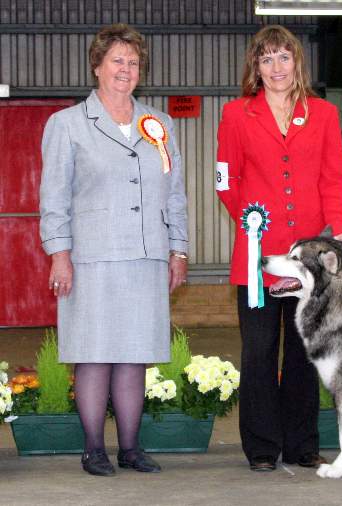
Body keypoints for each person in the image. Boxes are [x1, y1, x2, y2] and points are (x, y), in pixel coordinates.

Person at [39, 23, 188, 476]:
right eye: (117, 61)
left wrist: (178, 249)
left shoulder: (158, 124)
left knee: (134, 354)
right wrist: (59, 253)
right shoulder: (66, 124)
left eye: (134, 62)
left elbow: (174, 192)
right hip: (91, 258)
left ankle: (130, 447)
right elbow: (53, 196)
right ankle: (93, 449)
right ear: (98, 67)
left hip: (147, 257)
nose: (126, 69)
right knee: (94, 353)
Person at [216, 25, 342, 472]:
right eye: (266, 58)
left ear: (297, 62)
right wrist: (251, 221)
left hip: (309, 260)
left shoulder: (324, 114)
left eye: (283, 57)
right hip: (256, 255)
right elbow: (225, 179)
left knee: (303, 350)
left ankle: (302, 444)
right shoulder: (237, 114)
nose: (276, 67)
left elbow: (334, 176)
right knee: (258, 351)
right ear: (255, 67)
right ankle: (260, 447)